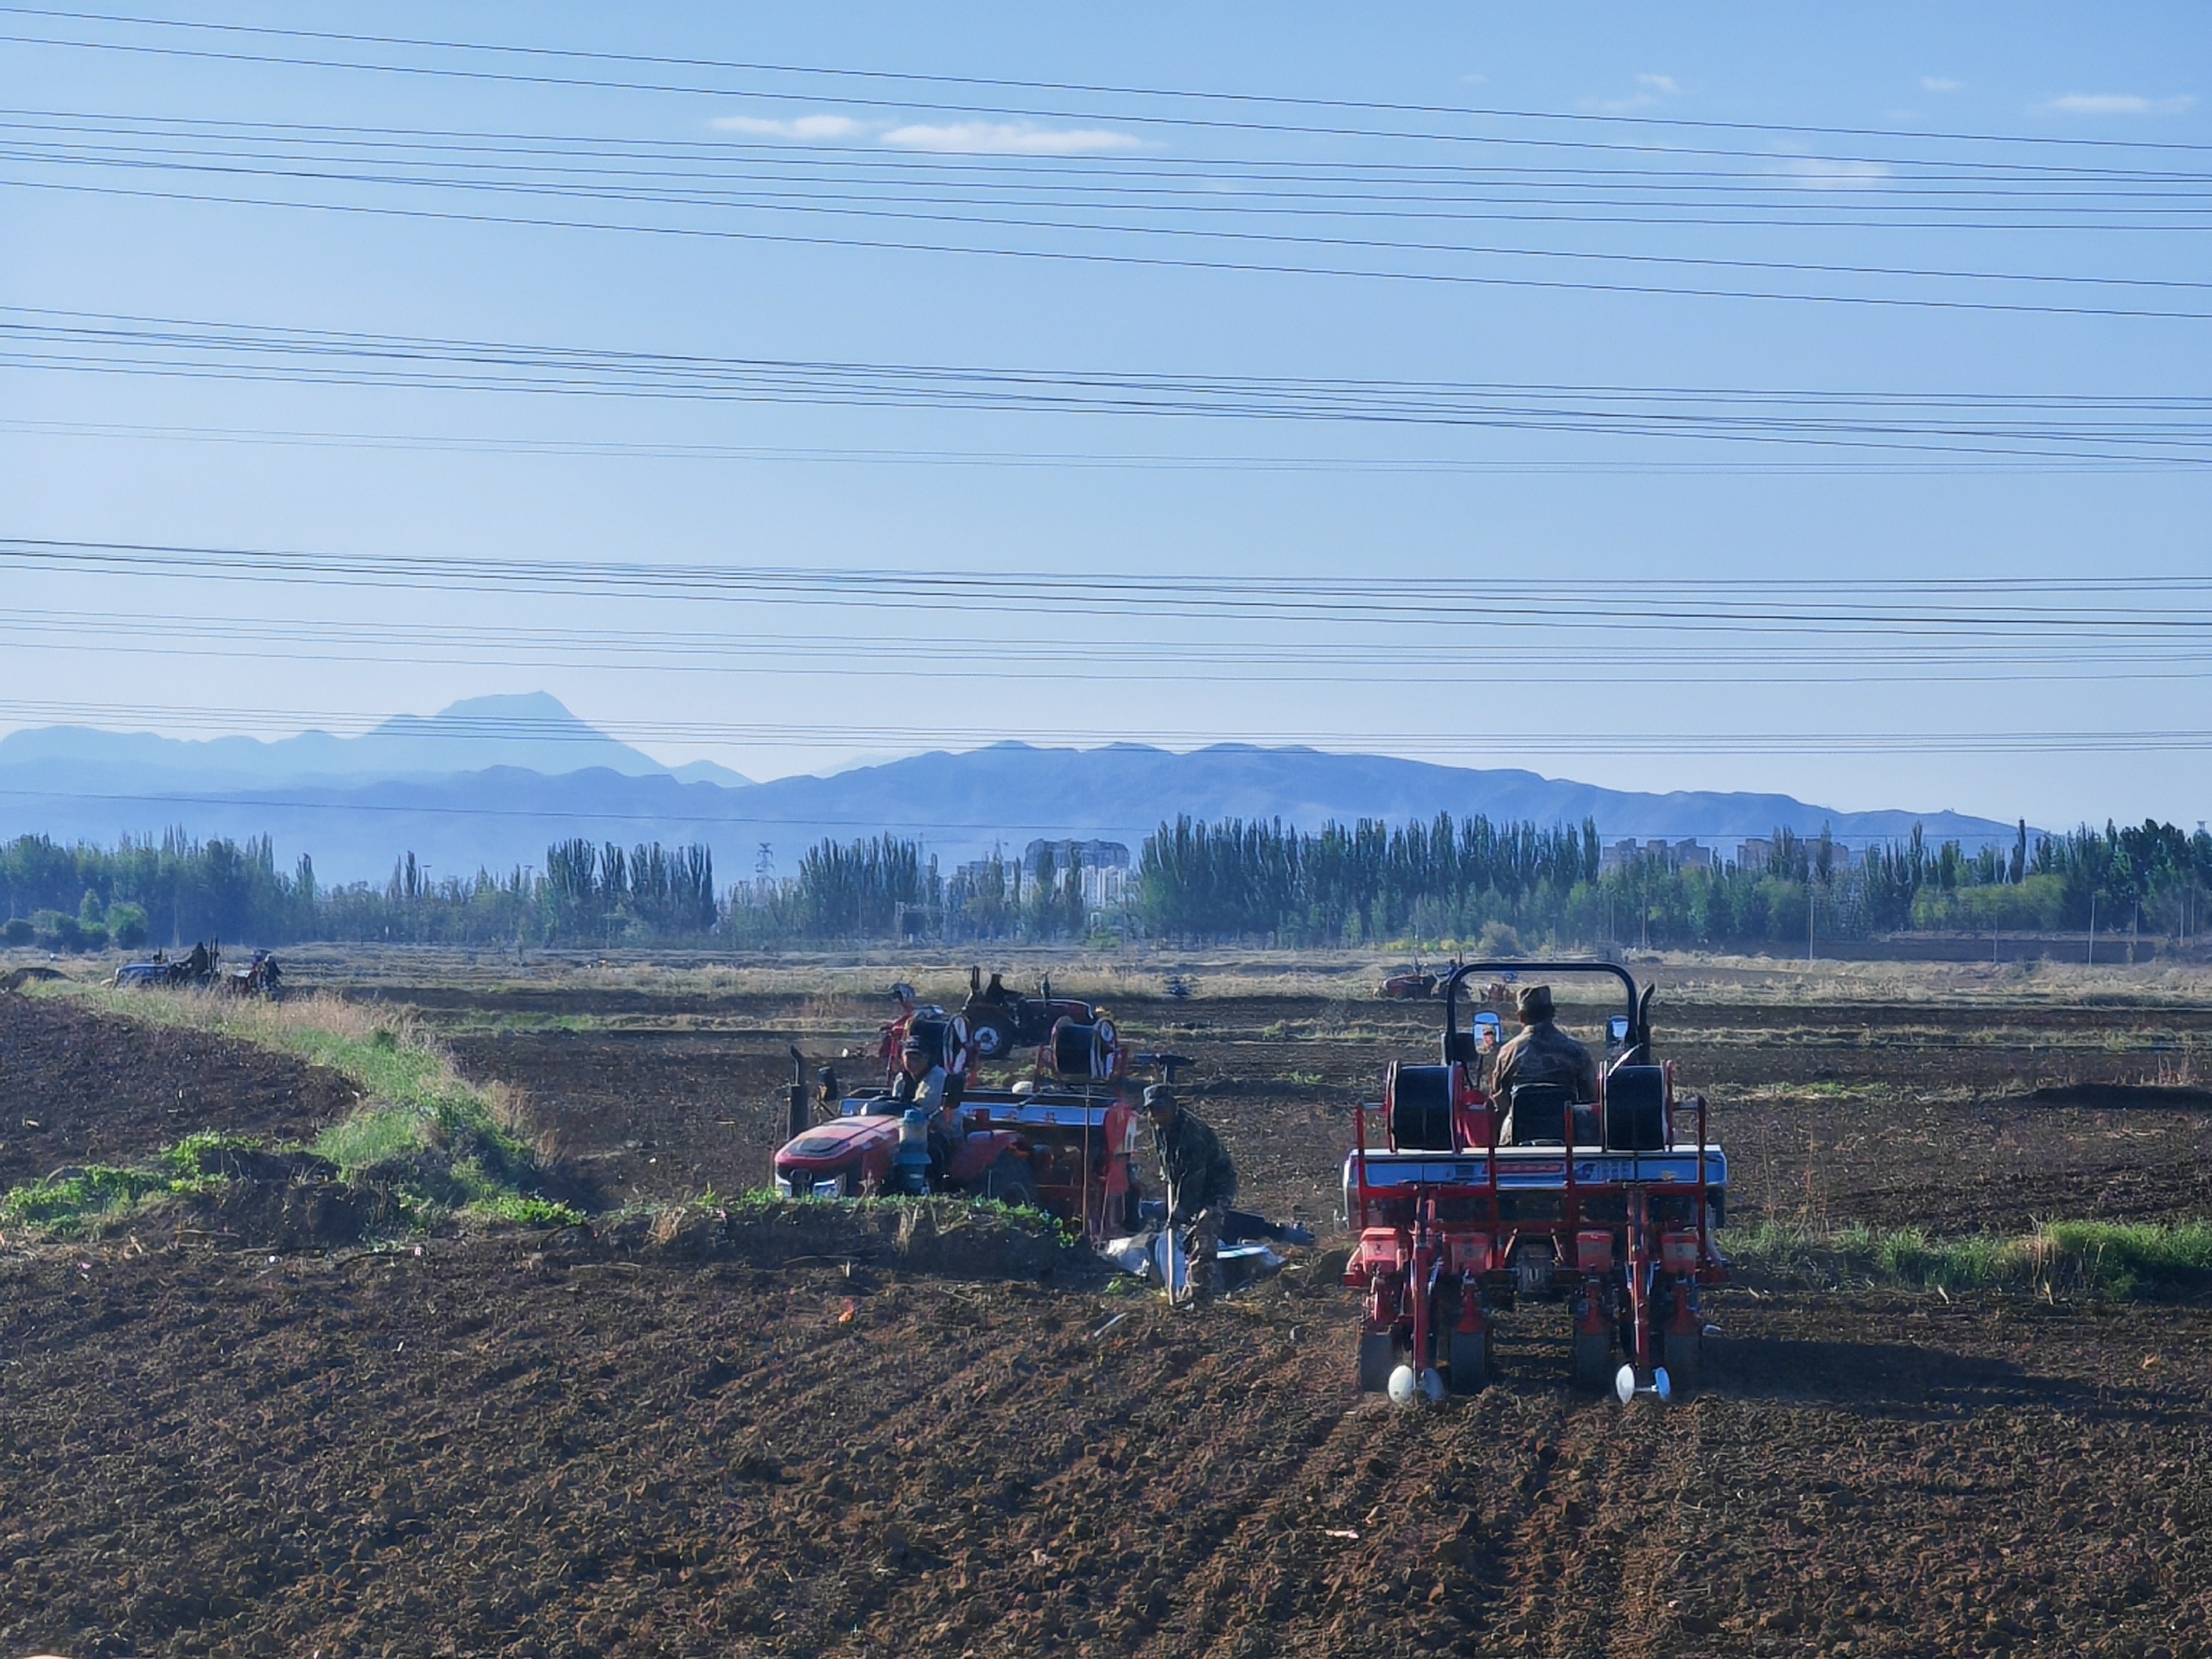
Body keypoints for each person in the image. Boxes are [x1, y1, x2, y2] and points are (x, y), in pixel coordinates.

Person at [1143, 1084, 1236, 1302]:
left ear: (1173, 1106)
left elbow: (1193, 1178)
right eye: (1152, 1110)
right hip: (1189, 1181)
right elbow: (1169, 1164)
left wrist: (1179, 1213)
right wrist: (1169, 1182)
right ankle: (1184, 1290)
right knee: (1190, 1234)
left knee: (1205, 1228)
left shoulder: (1192, 1133)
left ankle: (1200, 1293)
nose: (1157, 1115)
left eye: (1161, 1109)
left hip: (1215, 1184)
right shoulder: (1158, 1127)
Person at [1492, 983, 1599, 1141]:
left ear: (1521, 1017)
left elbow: (1499, 1098)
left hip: (1517, 1137)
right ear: (1552, 1013)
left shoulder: (1508, 1052)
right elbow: (1590, 1096)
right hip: (1570, 1137)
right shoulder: (1576, 1052)